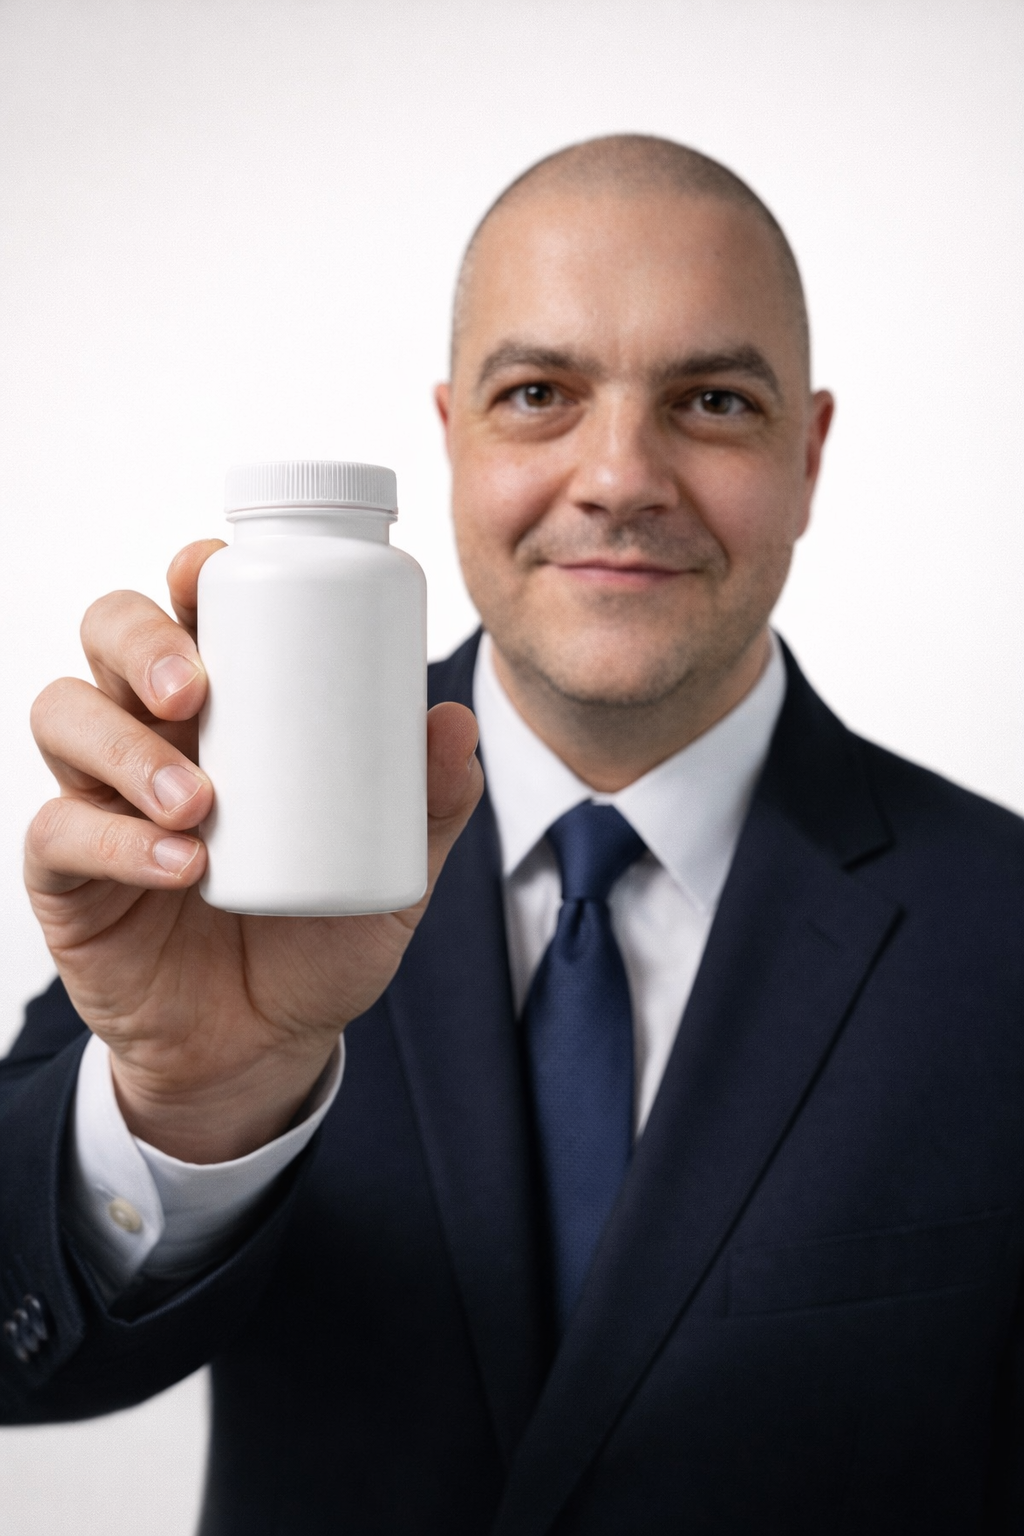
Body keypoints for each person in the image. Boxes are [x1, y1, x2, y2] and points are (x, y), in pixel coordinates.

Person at [2, 134, 1023, 1534]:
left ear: (809, 453)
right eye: (539, 394)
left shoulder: (1005, 930)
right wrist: (179, 1108)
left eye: (711, 400)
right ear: (451, 434)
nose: (619, 477)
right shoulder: (231, 833)